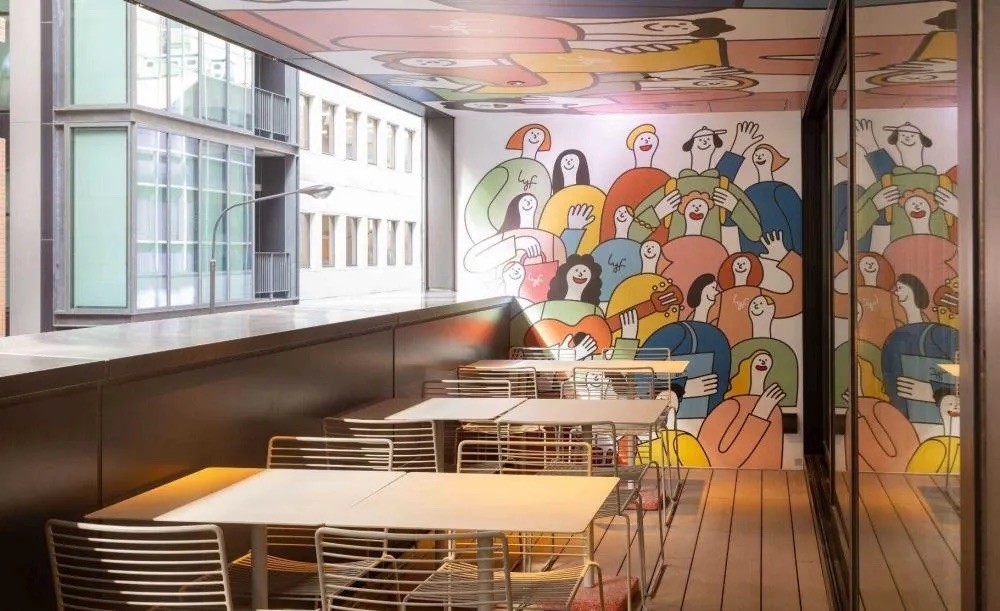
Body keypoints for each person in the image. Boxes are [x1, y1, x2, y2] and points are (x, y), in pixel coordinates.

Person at [464, 124, 553, 243]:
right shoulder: (507, 169)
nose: (535, 136)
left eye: (539, 135)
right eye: (531, 133)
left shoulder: (542, 174)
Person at [698, 350, 785, 469]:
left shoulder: (774, 408)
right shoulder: (731, 405)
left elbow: (774, 457)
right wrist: (759, 414)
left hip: (769, 477)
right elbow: (719, 460)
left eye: (767, 361)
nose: (763, 362)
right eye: (759, 359)